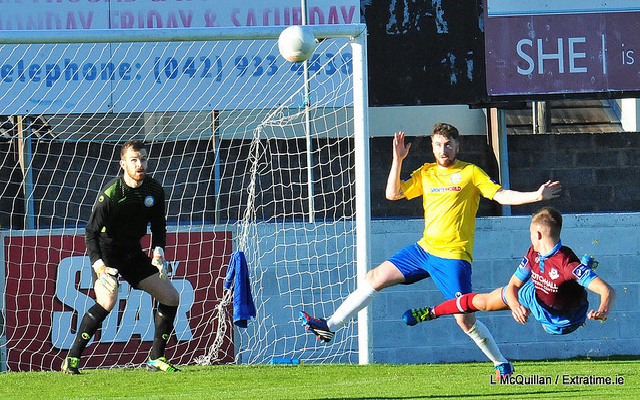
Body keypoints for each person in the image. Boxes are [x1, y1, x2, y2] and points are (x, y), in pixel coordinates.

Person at [300, 123, 562, 377]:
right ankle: (330, 326)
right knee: (374, 277)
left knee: (465, 321)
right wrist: (398, 159)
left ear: (457, 146)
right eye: (438, 145)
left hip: (453, 257)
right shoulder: (426, 173)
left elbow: (500, 195)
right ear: (432, 147)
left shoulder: (470, 172)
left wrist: (536, 196)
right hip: (423, 250)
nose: (443, 150)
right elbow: (392, 194)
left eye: (448, 144)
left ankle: (501, 362)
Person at [61, 140, 180, 374]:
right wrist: (99, 267)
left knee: (171, 297)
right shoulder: (112, 193)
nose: (140, 164)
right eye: (134, 160)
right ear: (123, 164)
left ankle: (156, 359)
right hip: (107, 254)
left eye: (143, 159)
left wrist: (158, 253)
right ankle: (71, 359)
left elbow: (159, 226)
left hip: (132, 253)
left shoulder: (154, 190)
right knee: (108, 300)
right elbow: (91, 232)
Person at [403, 206, 616, 337]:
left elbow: (607, 290)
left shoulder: (567, 264)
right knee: (484, 301)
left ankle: (583, 273)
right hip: (534, 295)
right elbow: (514, 284)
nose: (529, 236)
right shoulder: (533, 252)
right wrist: (515, 306)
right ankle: (432, 312)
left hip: (566, 320)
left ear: (538, 234)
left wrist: (603, 310)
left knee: (560, 304)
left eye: (530, 232)